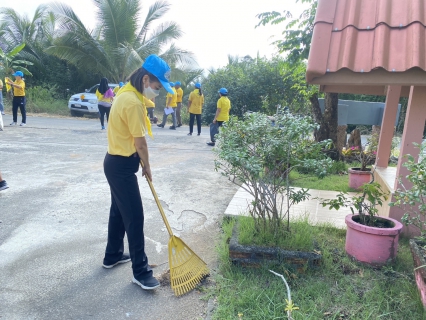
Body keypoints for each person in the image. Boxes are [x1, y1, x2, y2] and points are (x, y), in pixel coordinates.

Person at [102, 54, 173, 291]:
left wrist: (139, 160)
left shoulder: (126, 93)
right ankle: (141, 272)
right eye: (156, 86)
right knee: (135, 217)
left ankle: (112, 255)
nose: (157, 92)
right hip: (121, 166)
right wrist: (148, 165)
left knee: (119, 212)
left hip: (115, 162)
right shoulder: (132, 101)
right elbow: (140, 142)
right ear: (145, 80)